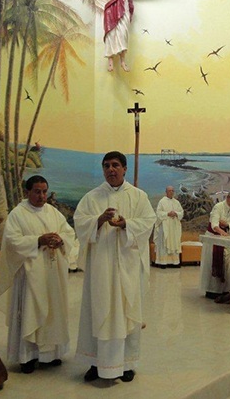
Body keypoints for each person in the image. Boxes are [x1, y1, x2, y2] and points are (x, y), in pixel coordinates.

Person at [74, 151, 156, 382]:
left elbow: (148, 221)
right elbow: (80, 223)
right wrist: (98, 221)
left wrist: (126, 224)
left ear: (124, 169)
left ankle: (126, 363)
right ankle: (94, 361)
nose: (111, 169)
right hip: (101, 266)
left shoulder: (138, 196)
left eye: (115, 165)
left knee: (126, 311)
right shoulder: (92, 197)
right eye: (106, 166)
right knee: (97, 309)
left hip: (128, 265)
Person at [0, 175, 77, 374]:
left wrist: (61, 241)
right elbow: (12, 242)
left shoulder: (53, 212)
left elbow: (69, 232)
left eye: (44, 191)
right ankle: (27, 357)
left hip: (52, 273)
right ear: (27, 192)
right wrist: (38, 240)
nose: (42, 196)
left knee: (53, 312)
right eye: (37, 191)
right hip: (29, 275)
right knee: (30, 312)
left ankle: (51, 354)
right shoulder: (18, 214)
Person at [200, 190, 230, 298]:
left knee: (227, 265)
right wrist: (222, 232)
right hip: (213, 238)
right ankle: (212, 290)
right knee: (212, 263)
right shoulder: (218, 207)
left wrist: (227, 225)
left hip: (226, 238)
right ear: (228, 198)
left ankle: (225, 289)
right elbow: (215, 224)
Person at [154, 185, 184, 268]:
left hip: (174, 226)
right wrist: (167, 213)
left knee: (174, 242)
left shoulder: (176, 202)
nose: (171, 192)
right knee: (164, 242)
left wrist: (176, 213)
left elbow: (181, 212)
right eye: (170, 191)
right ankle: (163, 262)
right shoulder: (162, 202)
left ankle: (175, 262)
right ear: (166, 192)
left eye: (172, 191)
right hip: (165, 226)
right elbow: (158, 213)